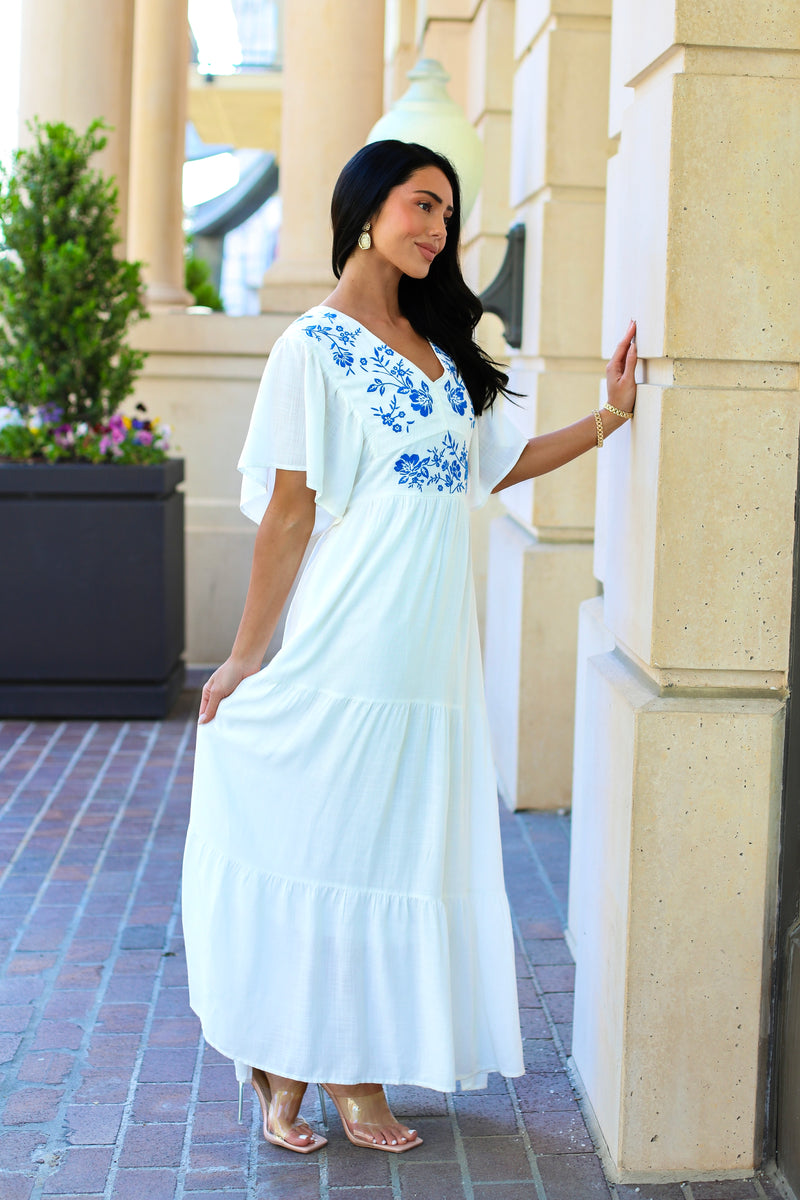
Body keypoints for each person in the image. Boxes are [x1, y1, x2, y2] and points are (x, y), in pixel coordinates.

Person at [181, 139, 637, 1156]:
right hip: (352, 637)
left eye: (447, 213)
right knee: (334, 843)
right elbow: (289, 512)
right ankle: (331, 1068)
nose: (438, 227)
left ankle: (296, 1063)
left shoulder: (440, 348)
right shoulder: (310, 346)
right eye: (422, 204)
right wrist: (246, 657)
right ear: (365, 207)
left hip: (429, 654)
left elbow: (496, 464)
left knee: (393, 851)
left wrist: (609, 416)